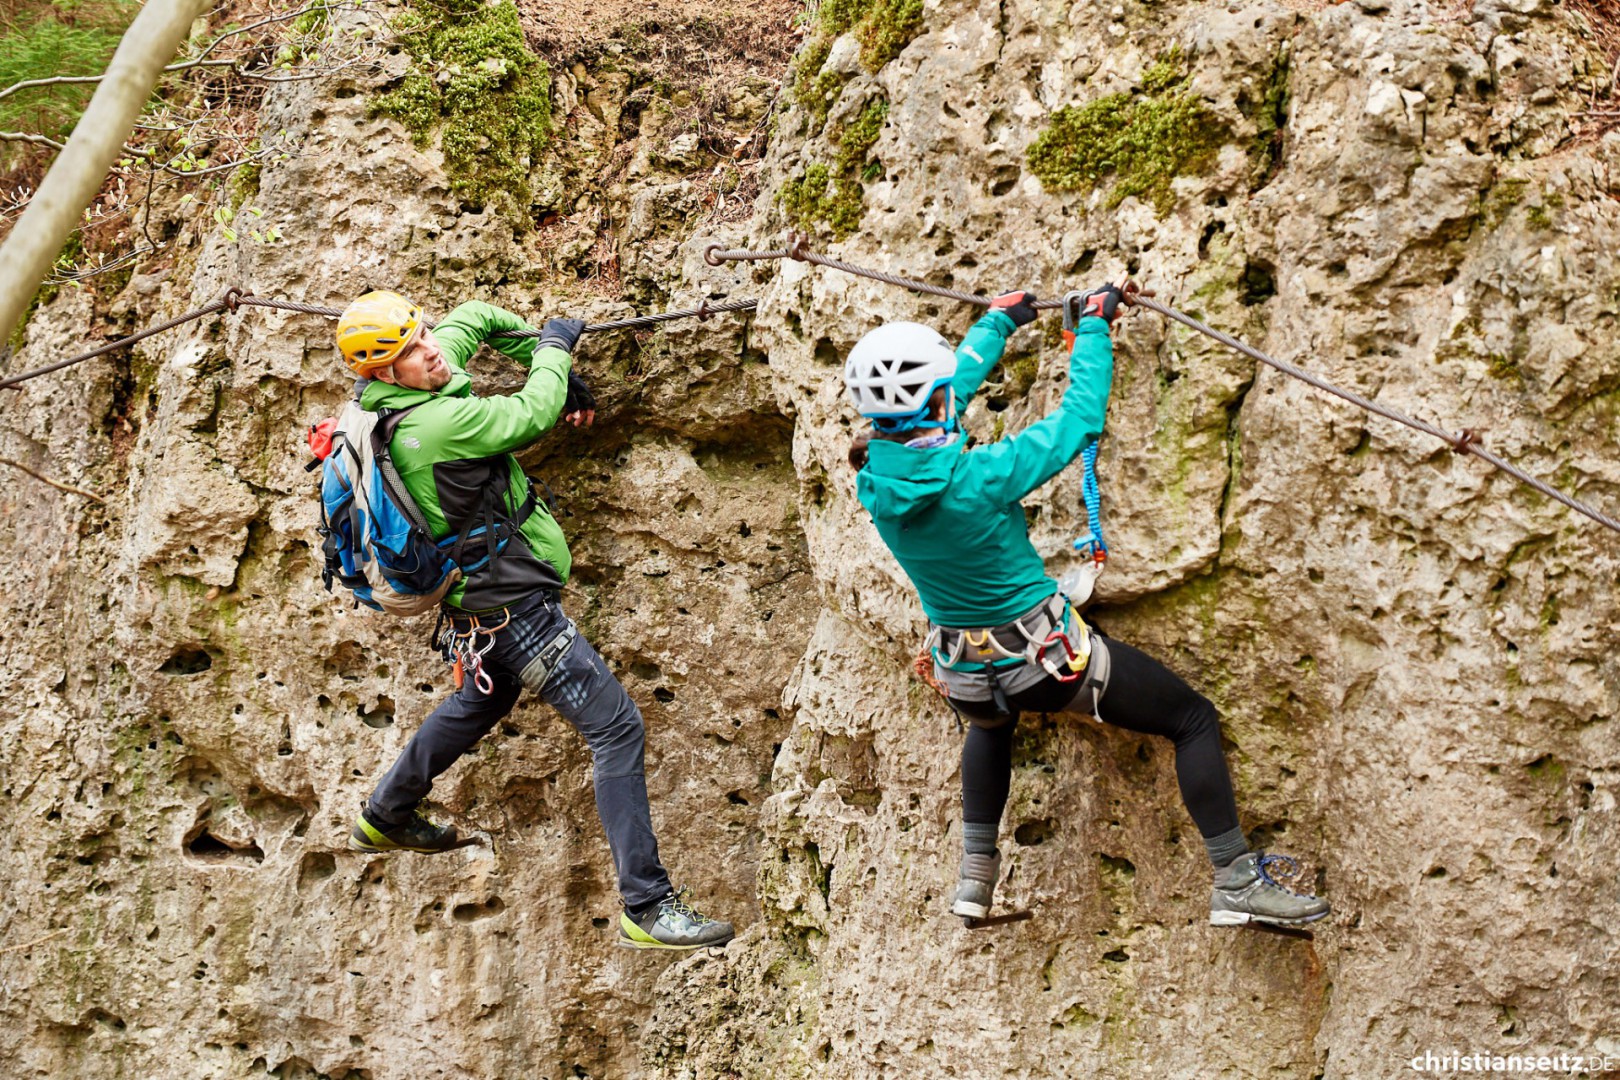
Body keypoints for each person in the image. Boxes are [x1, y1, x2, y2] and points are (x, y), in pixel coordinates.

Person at [844, 286, 1330, 930]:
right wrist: (1094, 333)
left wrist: (998, 325)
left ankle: (974, 879)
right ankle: (1236, 881)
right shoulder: (981, 476)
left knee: (989, 725)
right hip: (1046, 665)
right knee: (1191, 719)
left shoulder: (873, 478)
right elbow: (1076, 422)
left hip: (963, 674)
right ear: (934, 400)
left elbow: (938, 398)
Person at [334, 290, 733, 951]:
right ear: (382, 373)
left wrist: (542, 357)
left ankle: (386, 812)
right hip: (517, 613)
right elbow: (531, 413)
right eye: (410, 351)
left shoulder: (405, 386)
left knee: (478, 703)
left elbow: (476, 315)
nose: (430, 348)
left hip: (479, 609)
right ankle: (648, 906)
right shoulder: (435, 427)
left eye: (424, 334)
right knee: (616, 727)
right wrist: (553, 352)